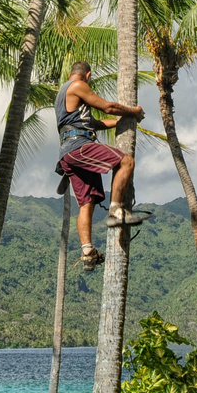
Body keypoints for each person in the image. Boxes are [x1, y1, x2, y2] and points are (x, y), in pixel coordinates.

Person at [54, 60, 148, 271]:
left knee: (87, 203)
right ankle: (116, 210)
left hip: (69, 151)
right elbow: (108, 107)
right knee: (126, 161)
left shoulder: (63, 95)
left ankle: (87, 251)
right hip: (79, 147)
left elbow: (95, 123)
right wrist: (134, 111)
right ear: (88, 75)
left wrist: (123, 121)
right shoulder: (78, 86)